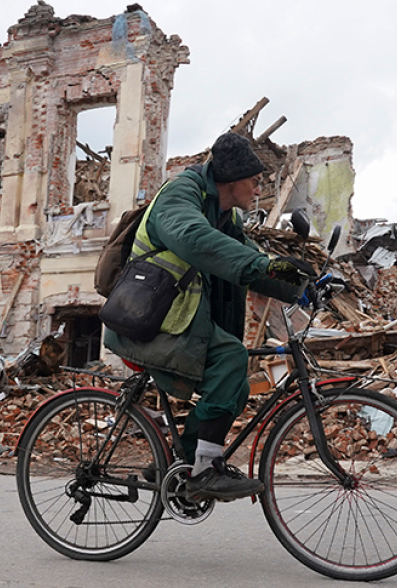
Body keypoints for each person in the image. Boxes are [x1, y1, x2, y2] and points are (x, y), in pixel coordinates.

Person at [103, 132, 311, 501]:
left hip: (172, 319)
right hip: (145, 321)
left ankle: (177, 463)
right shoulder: (180, 196)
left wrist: (302, 285)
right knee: (231, 357)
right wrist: (264, 263)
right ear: (231, 180)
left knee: (237, 384)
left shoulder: (223, 214)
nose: (258, 186)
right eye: (255, 179)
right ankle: (203, 471)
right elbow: (194, 237)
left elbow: (245, 255)